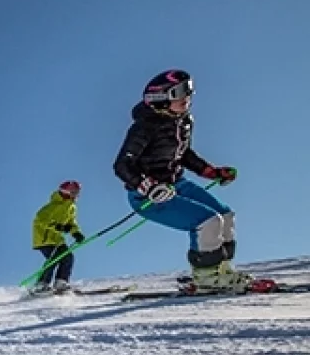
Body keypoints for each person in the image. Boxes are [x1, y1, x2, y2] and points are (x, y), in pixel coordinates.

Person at [113, 69, 246, 293]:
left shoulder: (183, 121)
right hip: (148, 195)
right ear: (161, 99)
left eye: (189, 89)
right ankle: (206, 277)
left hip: (177, 184)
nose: (187, 96)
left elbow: (184, 154)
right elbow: (122, 165)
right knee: (208, 222)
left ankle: (221, 271)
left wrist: (213, 172)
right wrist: (147, 186)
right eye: (180, 92)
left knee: (226, 216)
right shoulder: (144, 127)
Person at [30, 180, 85, 294]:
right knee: (54, 258)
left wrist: (76, 233)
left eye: (77, 192)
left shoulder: (71, 207)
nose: (76, 195)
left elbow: (71, 223)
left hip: (57, 239)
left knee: (68, 256)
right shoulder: (52, 206)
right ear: (66, 191)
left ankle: (61, 282)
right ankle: (42, 284)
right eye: (74, 192)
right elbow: (40, 220)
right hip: (44, 238)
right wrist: (57, 226)